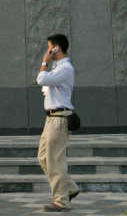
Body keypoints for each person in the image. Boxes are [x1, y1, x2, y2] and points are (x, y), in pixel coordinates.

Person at [36, 34, 80, 212]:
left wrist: (44, 62)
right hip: (51, 118)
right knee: (43, 157)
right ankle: (70, 188)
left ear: (56, 48)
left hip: (59, 119)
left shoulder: (65, 68)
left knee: (55, 161)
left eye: (49, 48)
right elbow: (45, 87)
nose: (47, 51)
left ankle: (61, 201)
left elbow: (41, 79)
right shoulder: (57, 69)